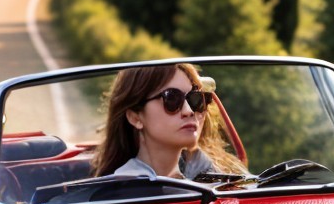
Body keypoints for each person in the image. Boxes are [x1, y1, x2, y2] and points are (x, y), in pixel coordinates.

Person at [91, 61, 244, 182]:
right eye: (171, 98)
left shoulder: (216, 177)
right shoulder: (121, 191)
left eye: (194, 99)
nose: (189, 111)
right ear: (135, 117)